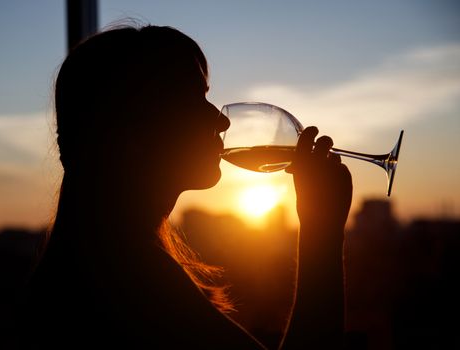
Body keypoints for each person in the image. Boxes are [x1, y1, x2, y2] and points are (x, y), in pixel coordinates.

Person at [19, 23, 352, 349]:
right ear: (137, 129)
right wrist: (321, 229)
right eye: (193, 99)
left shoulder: (94, 261)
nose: (222, 121)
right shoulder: (127, 278)